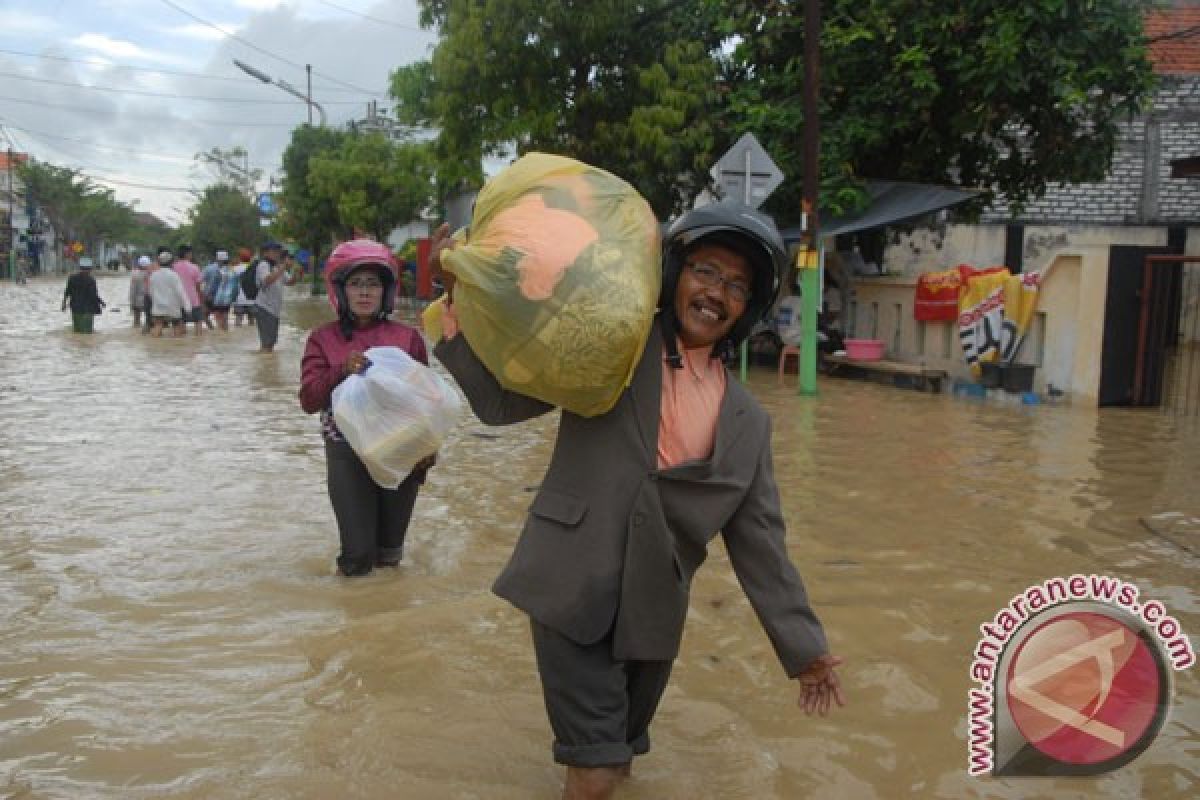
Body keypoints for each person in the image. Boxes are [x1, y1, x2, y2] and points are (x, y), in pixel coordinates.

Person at [430, 201, 845, 800]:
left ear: (747, 308)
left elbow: (763, 550)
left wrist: (806, 650)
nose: (716, 292)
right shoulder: (615, 342)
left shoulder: (749, 424)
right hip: (569, 582)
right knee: (596, 773)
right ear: (676, 277)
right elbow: (506, 402)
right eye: (705, 271)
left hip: (654, 615)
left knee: (618, 765)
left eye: (735, 285)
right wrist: (458, 298)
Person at [298, 239, 435, 577]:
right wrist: (340, 370)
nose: (364, 292)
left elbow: (427, 399)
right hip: (346, 448)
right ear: (340, 291)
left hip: (401, 447)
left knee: (390, 555)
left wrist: (427, 451)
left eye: (372, 283)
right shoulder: (322, 339)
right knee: (357, 557)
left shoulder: (408, 338)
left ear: (386, 291)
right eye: (355, 283)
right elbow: (308, 400)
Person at [252, 241, 296, 352]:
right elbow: (267, 280)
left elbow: (290, 282)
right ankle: (264, 367)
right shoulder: (263, 265)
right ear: (265, 253)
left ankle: (267, 365)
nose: (277, 253)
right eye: (274, 251)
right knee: (266, 345)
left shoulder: (277, 267)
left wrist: (297, 273)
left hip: (273, 310)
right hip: (264, 308)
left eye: (278, 251)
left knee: (270, 344)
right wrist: (282, 268)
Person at [147, 247, 191, 337]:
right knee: (176, 326)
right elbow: (180, 291)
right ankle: (176, 347)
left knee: (158, 325)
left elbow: (150, 292)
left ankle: (154, 347)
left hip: (158, 305)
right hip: (173, 306)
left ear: (159, 262)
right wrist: (187, 306)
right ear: (171, 262)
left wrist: (155, 302)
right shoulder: (174, 275)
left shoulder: (153, 275)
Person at [62, 256, 105, 333]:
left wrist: (64, 304)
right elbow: (93, 295)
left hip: (75, 308)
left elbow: (67, 292)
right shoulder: (91, 280)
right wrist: (101, 303)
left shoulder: (72, 278)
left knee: (77, 330)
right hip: (87, 310)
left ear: (80, 268)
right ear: (90, 269)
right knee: (87, 332)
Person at [172, 244, 205, 335]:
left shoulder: (173, 267)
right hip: (193, 300)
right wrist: (201, 298)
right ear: (187, 254)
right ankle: (198, 343)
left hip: (178, 300)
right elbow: (198, 286)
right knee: (198, 323)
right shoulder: (194, 267)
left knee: (181, 325)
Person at [207, 250, 237, 331]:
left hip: (218, 298)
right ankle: (226, 333)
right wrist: (233, 297)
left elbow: (214, 285)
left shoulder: (218, 271)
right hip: (228, 298)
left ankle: (221, 335)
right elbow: (235, 286)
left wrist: (209, 295)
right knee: (225, 317)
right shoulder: (232, 271)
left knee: (218, 318)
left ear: (219, 260)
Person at [231, 247, 256, 327]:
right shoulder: (254, 269)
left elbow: (232, 285)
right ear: (250, 258)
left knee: (238, 319)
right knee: (252, 321)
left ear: (240, 258)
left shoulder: (235, 269)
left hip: (239, 298)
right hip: (252, 299)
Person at [129, 255, 150, 329]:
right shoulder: (150, 274)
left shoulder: (135, 274)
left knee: (136, 321)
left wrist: (131, 303)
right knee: (149, 320)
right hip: (148, 299)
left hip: (137, 301)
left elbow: (132, 290)